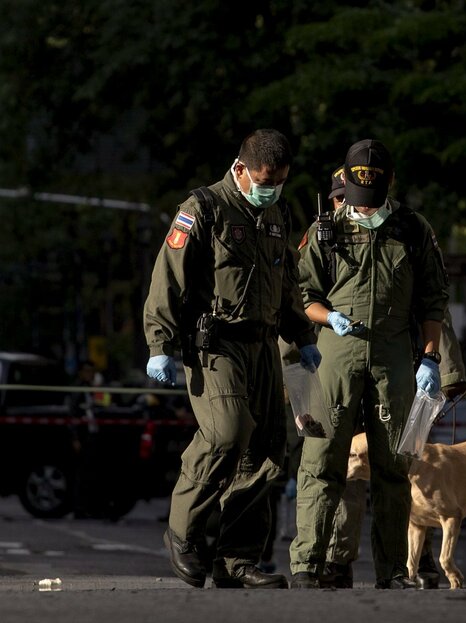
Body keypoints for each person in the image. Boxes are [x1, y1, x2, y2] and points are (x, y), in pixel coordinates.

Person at [143, 128, 320, 590]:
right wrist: (159, 345)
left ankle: (236, 560)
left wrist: (302, 335)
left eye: (280, 182)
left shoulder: (276, 212)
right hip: (215, 344)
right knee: (227, 433)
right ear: (241, 169)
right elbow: (168, 278)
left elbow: (284, 284)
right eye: (266, 181)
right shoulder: (202, 208)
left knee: (267, 454)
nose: (273, 190)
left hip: (263, 345)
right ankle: (183, 530)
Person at [289, 138, 449, 589]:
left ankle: (394, 570)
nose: (363, 210)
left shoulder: (413, 230)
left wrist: (431, 358)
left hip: (396, 360)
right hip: (333, 359)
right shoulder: (325, 231)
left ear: (390, 185)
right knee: (321, 460)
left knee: (395, 468)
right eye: (357, 202)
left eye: (372, 202)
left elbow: (433, 299)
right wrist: (329, 317)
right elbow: (302, 295)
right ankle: (308, 565)